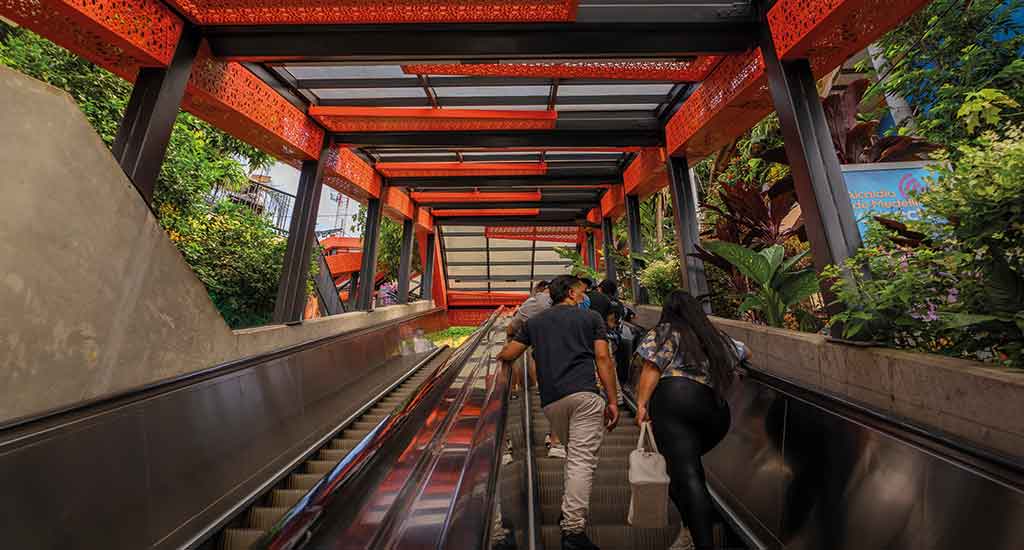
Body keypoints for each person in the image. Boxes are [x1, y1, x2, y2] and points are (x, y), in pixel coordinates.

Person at [497, 275, 620, 550]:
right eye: (580, 291)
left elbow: (510, 353)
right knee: (580, 461)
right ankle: (572, 531)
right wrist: (612, 400)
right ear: (570, 293)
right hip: (585, 396)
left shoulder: (534, 323)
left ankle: (568, 511)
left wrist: (496, 360)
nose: (583, 295)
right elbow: (603, 358)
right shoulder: (590, 319)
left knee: (573, 455)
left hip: (552, 402)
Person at [632, 291, 748, 550]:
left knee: (688, 474)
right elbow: (746, 353)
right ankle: (689, 532)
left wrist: (640, 405)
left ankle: (702, 543)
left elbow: (652, 368)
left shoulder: (664, 332)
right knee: (679, 470)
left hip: (675, 402)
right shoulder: (713, 336)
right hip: (714, 411)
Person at [507, 280, 551, 397]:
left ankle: (516, 388)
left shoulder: (532, 302)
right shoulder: (564, 300)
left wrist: (510, 334)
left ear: (537, 290)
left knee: (528, 356)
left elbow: (514, 325)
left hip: (537, 337)